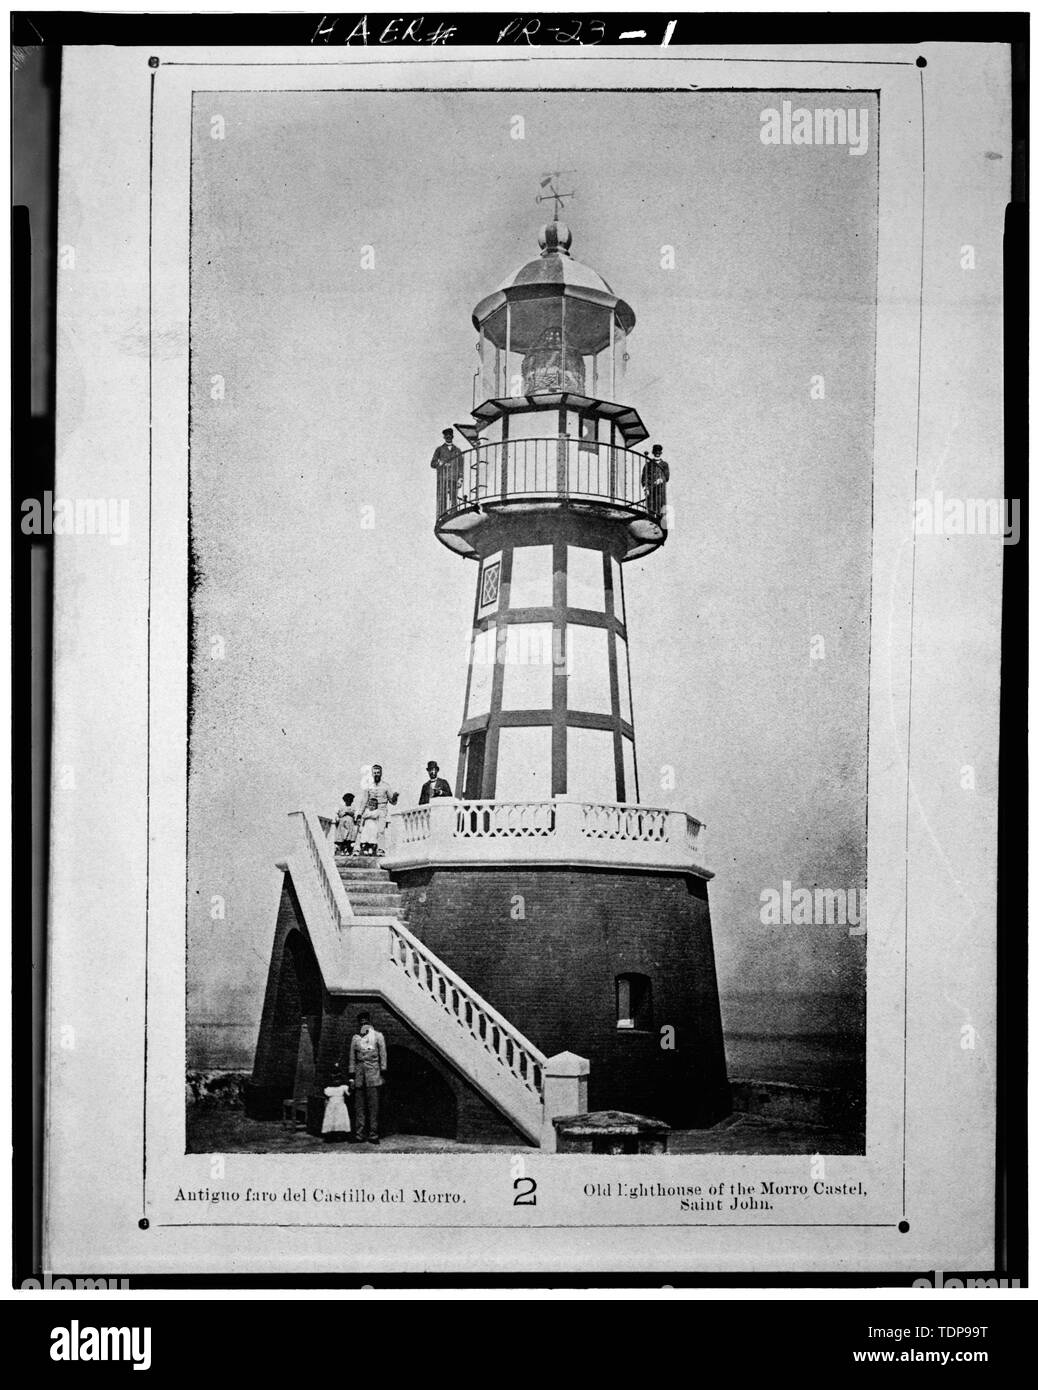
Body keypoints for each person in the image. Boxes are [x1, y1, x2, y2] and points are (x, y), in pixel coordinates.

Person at [348, 1013, 387, 1144]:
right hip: (359, 1076)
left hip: (373, 1074)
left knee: (373, 1107)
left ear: (369, 1023)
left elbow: (383, 1055)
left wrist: (382, 1072)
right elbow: (352, 1058)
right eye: (361, 1023)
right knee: (359, 1107)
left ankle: (373, 1135)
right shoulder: (355, 1038)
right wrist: (352, 1076)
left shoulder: (377, 1036)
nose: (363, 1025)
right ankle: (359, 1134)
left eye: (365, 1022)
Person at [355, 763, 398, 856]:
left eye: (378, 772)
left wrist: (395, 797)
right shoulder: (369, 786)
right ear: (372, 774)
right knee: (361, 829)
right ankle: (358, 849)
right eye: (374, 773)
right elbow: (364, 801)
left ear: (381, 773)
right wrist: (359, 814)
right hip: (370, 810)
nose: (376, 774)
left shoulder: (386, 786)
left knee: (380, 830)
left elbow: (393, 802)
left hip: (381, 810)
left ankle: (380, 849)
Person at [430, 428, 465, 511]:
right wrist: (440, 463)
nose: (448, 437)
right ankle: (443, 515)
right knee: (442, 499)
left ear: (452, 437)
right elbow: (432, 463)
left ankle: (454, 513)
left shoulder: (458, 450)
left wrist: (460, 478)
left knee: (453, 499)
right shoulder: (439, 449)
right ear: (444, 437)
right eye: (446, 436)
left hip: (454, 478)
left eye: (450, 436)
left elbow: (461, 465)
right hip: (443, 478)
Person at [321, 1064, 351, 1144]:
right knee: (331, 1119)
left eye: (338, 1078)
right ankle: (330, 1135)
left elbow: (349, 1094)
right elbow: (326, 1095)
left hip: (340, 1106)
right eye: (334, 1078)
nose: (336, 1081)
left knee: (340, 1119)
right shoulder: (328, 1089)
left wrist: (351, 1085)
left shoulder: (343, 1087)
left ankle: (340, 1135)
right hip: (331, 1106)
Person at [641, 444, 670, 515]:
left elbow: (667, 476)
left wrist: (661, 479)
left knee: (661, 510)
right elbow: (644, 477)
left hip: (660, 490)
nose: (657, 453)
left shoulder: (664, 464)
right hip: (651, 490)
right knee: (651, 508)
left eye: (659, 452)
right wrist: (646, 488)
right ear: (653, 452)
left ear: (661, 453)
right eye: (656, 452)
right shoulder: (648, 464)